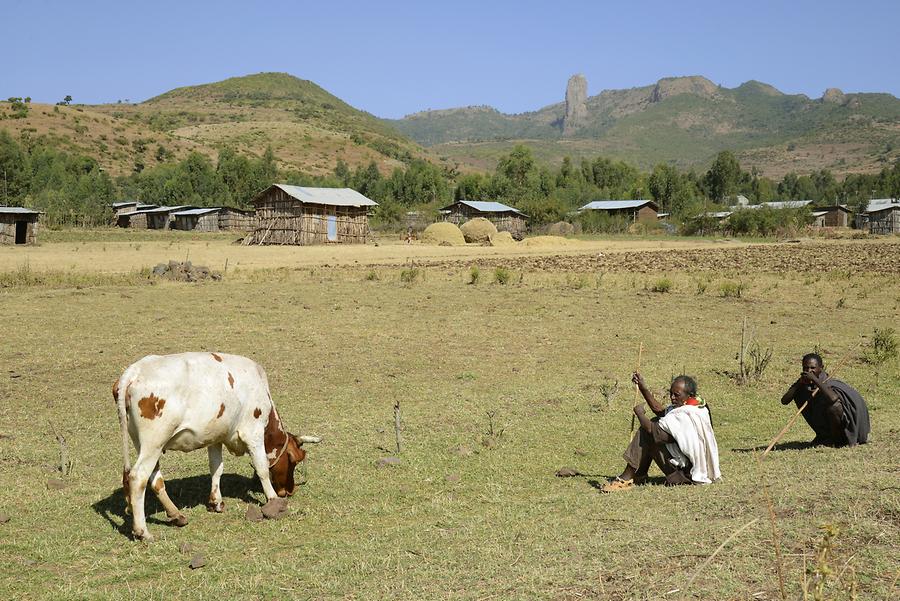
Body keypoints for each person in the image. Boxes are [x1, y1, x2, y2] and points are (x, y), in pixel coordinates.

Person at [602, 373, 721, 492]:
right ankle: (640, 475)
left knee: (647, 431)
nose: (672, 398)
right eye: (671, 393)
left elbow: (653, 431)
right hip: (686, 469)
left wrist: (640, 414)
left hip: (684, 476)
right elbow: (660, 411)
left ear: (688, 395)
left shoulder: (686, 415)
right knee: (653, 424)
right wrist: (643, 387)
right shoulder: (697, 405)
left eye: (676, 395)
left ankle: (625, 478)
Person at [780, 353, 870, 447]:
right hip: (825, 422)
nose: (809, 371)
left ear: (821, 368)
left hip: (846, 426)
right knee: (799, 395)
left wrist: (815, 380)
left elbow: (833, 399)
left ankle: (837, 440)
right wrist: (799, 383)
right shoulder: (804, 383)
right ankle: (824, 436)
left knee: (834, 407)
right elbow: (784, 401)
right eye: (806, 368)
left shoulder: (828, 382)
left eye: (813, 368)